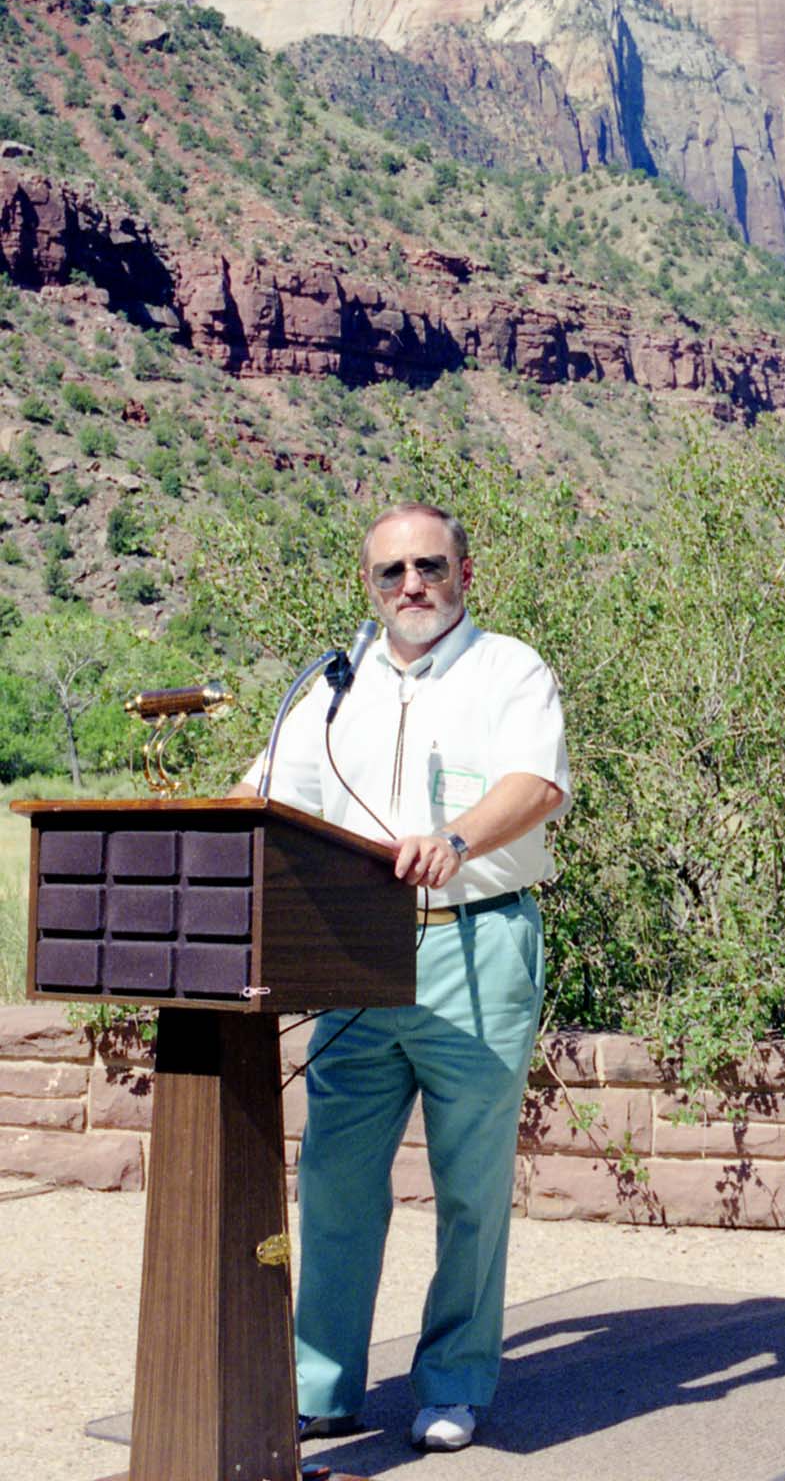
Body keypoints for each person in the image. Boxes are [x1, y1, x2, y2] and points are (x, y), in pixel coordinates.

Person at [229, 501, 570, 1454]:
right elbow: (269, 796)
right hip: (354, 954)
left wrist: (455, 842)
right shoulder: (338, 687)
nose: (412, 585)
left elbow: (535, 784)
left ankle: (454, 1384)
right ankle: (320, 1388)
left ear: (467, 572)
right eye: (392, 572)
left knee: (470, 1185)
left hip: (477, 942)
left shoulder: (510, 668)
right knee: (335, 1178)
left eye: (430, 566)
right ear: (368, 586)